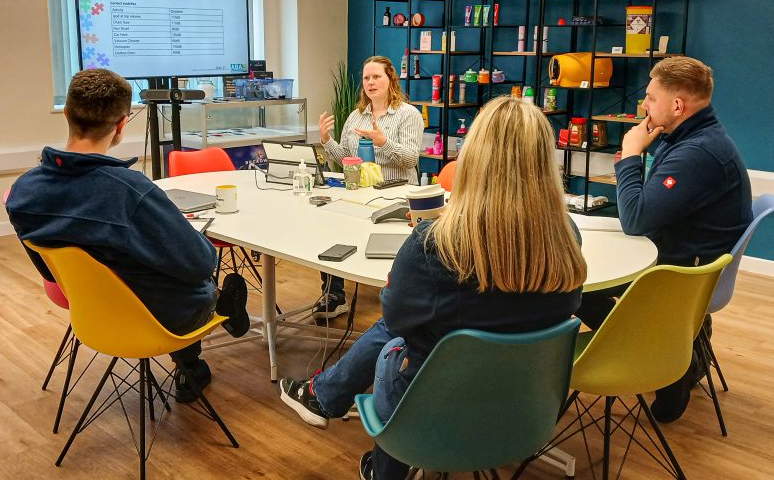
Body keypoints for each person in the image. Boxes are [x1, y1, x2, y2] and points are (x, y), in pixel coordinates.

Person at [279, 97, 586, 480]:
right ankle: (332, 406)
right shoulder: (567, 237)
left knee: (392, 342)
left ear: (474, 157)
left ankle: (382, 463)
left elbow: (396, 317)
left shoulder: (434, 242)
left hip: (433, 406)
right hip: (527, 406)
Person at [5, 69, 249, 403]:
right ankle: (204, 343)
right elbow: (201, 262)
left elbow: (49, 271)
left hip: (92, 315)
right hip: (161, 317)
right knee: (190, 273)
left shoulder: (23, 192)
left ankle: (198, 353)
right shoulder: (130, 192)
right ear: (121, 124)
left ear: (67, 113)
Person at [579, 56, 752, 422]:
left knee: (573, 289)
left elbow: (636, 218)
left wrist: (629, 154)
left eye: (650, 98)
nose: (643, 105)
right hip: (689, 263)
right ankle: (668, 346)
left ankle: (665, 361)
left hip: (679, 279)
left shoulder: (697, 152)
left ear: (677, 106)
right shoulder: (696, 137)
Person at [314, 55, 423, 320]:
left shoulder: (408, 115)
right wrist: (326, 140)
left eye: (377, 77)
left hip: (395, 196)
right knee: (328, 223)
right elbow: (344, 160)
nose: (371, 82)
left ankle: (396, 296)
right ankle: (334, 294)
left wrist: (383, 142)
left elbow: (411, 159)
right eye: (366, 78)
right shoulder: (355, 117)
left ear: (390, 80)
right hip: (358, 194)